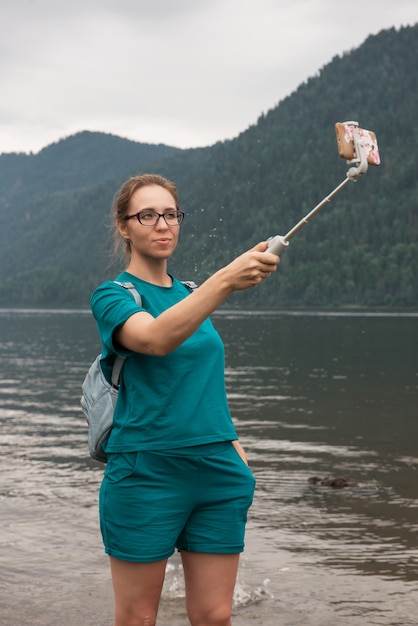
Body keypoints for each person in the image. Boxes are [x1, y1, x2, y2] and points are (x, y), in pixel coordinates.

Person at [90, 173, 279, 626]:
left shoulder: (192, 293)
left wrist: (231, 444)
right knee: (137, 619)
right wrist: (226, 280)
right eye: (147, 215)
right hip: (146, 472)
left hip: (218, 473)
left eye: (171, 214)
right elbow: (154, 339)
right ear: (124, 226)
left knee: (214, 617)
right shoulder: (113, 296)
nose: (162, 225)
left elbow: (204, 377)